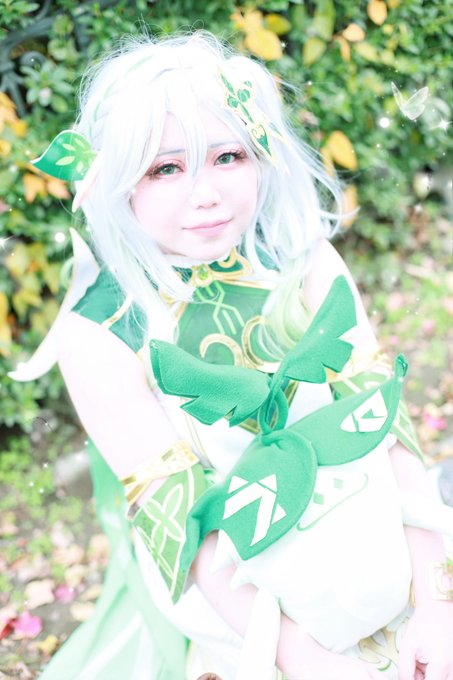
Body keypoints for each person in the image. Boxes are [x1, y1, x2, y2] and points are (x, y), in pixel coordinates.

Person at [9, 30, 453, 680]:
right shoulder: (98, 334)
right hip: (247, 612)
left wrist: (436, 601)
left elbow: (380, 419)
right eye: (165, 168)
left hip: (380, 544)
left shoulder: (302, 256)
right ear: (116, 180)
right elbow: (187, 528)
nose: (206, 193)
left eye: (228, 156)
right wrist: (311, 664)